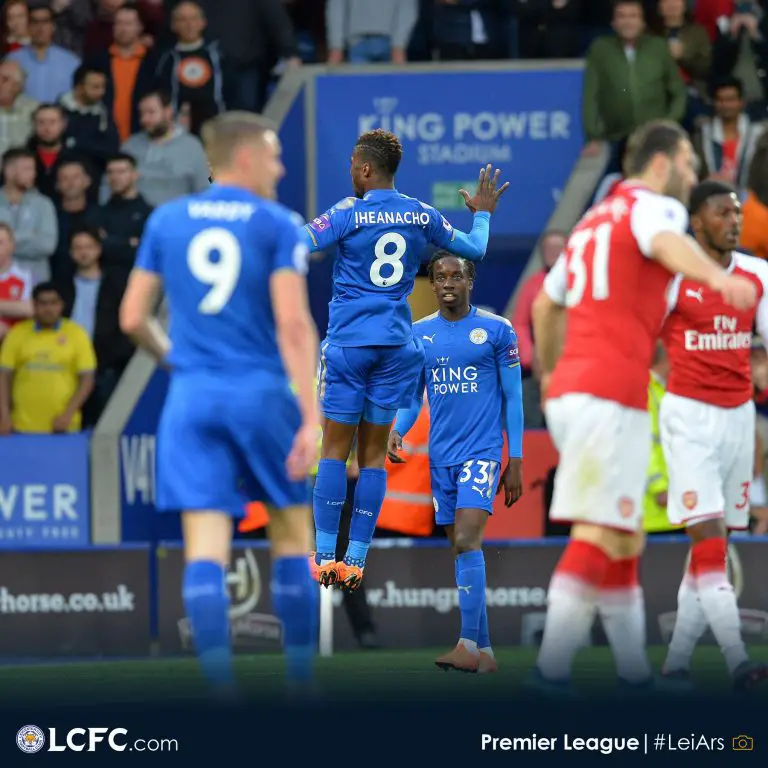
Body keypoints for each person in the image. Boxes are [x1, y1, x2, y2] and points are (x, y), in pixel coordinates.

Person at [529, 119, 757, 695]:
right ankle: (549, 672)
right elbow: (664, 243)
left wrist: (551, 375)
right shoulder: (652, 207)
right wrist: (716, 278)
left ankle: (634, 674)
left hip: (586, 389)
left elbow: (545, 307)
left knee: (625, 536)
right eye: (687, 163)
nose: (691, 174)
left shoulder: (591, 221)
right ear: (662, 162)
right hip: (607, 393)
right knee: (600, 532)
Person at [119, 111, 320, 699]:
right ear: (246, 157)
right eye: (274, 156)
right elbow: (293, 325)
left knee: (204, 548)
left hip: (192, 397)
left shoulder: (166, 219)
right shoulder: (278, 224)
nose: (281, 168)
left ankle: (219, 689)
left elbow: (132, 318)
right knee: (291, 535)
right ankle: (301, 683)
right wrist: (312, 416)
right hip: (261, 394)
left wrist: (175, 360)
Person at [304, 128, 508, 592]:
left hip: (351, 344)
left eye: (352, 165)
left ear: (365, 168)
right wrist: (481, 215)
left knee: (334, 451)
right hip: (396, 346)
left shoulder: (348, 211)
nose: (350, 172)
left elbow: (299, 242)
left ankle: (325, 557)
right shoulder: (421, 213)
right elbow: (475, 250)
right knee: (373, 456)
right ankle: (356, 560)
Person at [387, 250, 523, 673]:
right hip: (441, 457)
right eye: (440, 277)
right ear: (432, 284)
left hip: (481, 452)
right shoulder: (419, 334)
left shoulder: (497, 330)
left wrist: (515, 458)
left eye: (456, 276)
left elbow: (514, 397)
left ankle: (466, 645)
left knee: (466, 538)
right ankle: (486, 653)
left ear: (470, 282)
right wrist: (397, 429)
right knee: (462, 549)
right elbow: (413, 398)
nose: (447, 283)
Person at [659, 179, 768, 691]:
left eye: (737, 213)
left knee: (714, 544)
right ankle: (738, 661)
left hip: (739, 417)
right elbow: (643, 335)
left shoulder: (757, 273)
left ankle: (676, 664)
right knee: (706, 535)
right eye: (722, 213)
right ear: (698, 221)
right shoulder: (674, 275)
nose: (734, 221)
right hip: (689, 416)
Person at [0, 281, 95, 435]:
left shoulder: (77, 334)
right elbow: (4, 378)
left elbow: (87, 380)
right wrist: (4, 416)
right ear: (34, 305)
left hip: (63, 428)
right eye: (43, 303)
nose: (48, 309)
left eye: (53, 303)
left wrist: (68, 415)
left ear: (62, 305)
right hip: (22, 427)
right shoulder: (16, 334)